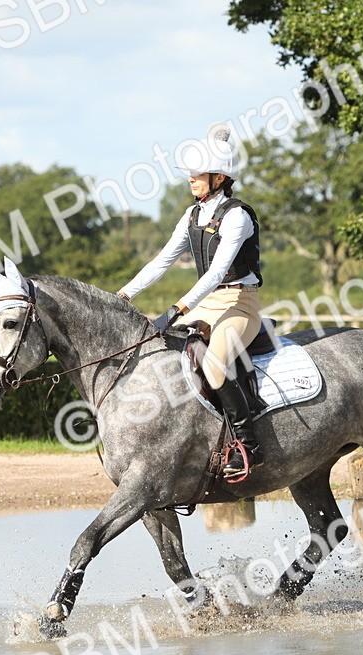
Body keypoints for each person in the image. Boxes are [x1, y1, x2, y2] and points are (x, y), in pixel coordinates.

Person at [117, 125, 265, 478]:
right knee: (161, 355)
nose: (191, 180)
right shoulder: (192, 215)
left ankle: (249, 445)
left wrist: (177, 310)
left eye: (197, 174)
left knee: (214, 365)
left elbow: (216, 273)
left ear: (219, 176)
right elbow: (162, 261)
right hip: (207, 303)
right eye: (191, 175)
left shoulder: (237, 216)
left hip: (240, 305)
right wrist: (122, 294)